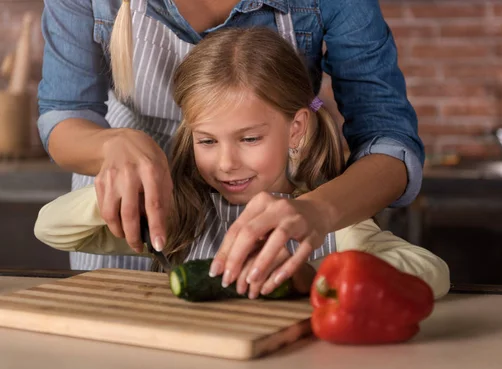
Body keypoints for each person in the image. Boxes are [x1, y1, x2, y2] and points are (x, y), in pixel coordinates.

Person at [35, 27, 450, 300]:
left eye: (250, 139)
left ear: (295, 129)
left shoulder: (331, 219)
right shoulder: (184, 214)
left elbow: (431, 274)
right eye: (207, 141)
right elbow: (50, 229)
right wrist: (137, 192)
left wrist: (315, 277)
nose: (228, 162)